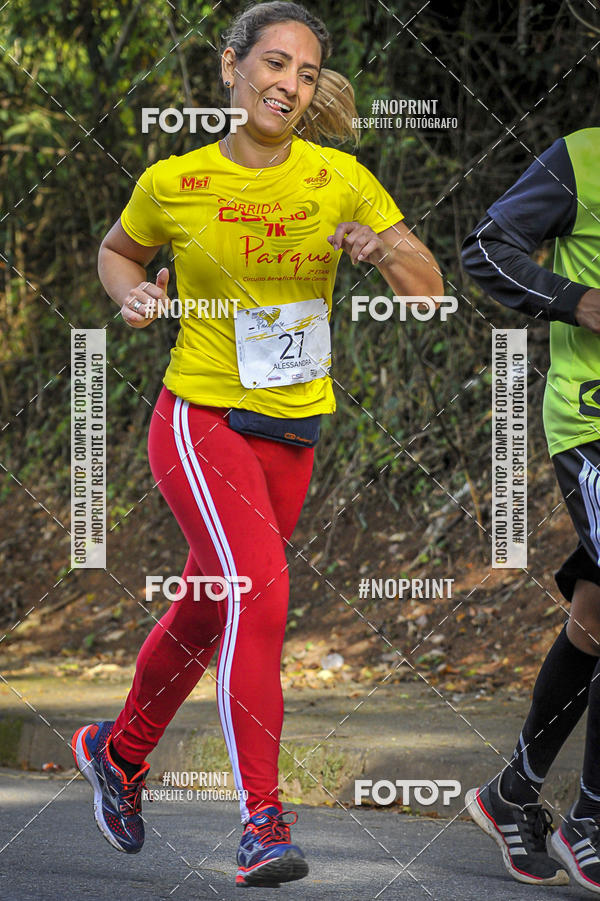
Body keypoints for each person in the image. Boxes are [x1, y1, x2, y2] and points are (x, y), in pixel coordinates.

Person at [71, 0, 442, 888]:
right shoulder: (175, 179)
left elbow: (427, 290)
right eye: (275, 64)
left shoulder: (341, 178)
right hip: (201, 420)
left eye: (307, 73)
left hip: (294, 430)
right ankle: (262, 824)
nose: (290, 84)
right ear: (231, 67)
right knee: (260, 599)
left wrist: (379, 245)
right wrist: (132, 296)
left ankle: (116, 754)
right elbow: (116, 252)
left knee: (208, 605)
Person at [462, 126, 600, 895]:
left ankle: (513, 791)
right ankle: (592, 820)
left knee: (595, 614)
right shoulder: (581, 158)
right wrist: (576, 299)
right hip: (592, 423)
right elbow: (486, 247)